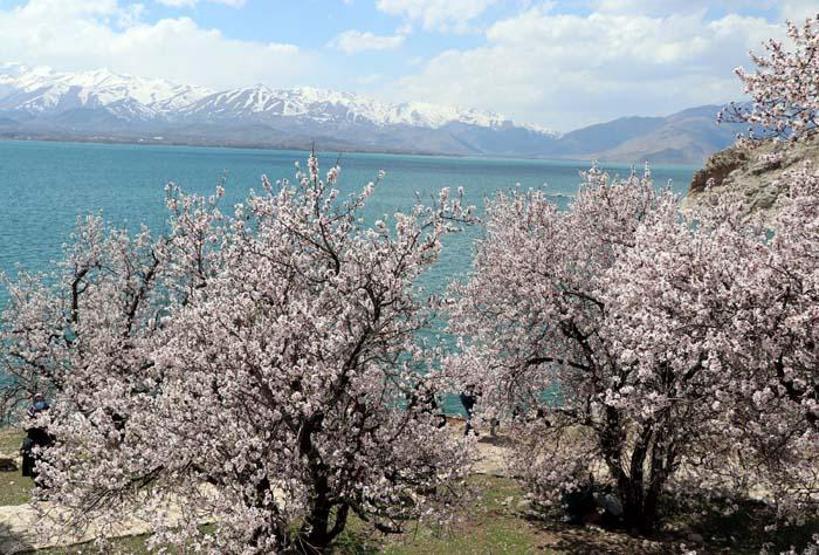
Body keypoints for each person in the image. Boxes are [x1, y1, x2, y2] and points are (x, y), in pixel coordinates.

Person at [21, 393, 54, 480]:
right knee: (27, 445)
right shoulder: (31, 410)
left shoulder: (48, 409)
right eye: (37, 399)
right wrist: (32, 424)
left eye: (40, 399)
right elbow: (26, 424)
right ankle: (28, 471)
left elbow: (53, 421)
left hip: (46, 434)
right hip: (33, 434)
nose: (39, 401)